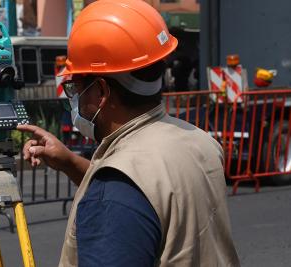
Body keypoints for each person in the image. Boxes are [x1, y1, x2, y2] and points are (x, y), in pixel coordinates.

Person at [16, 1, 240, 266]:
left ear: (100, 91)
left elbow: (126, 193)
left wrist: (101, 184)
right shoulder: (199, 141)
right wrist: (70, 162)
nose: (73, 98)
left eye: (75, 88)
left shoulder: (114, 192)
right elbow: (150, 191)